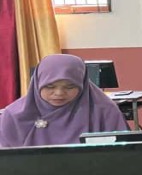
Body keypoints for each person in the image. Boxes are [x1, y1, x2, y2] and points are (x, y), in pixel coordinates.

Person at [0, 54, 128, 147]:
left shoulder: (104, 111)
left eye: (70, 87)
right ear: (37, 84)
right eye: (50, 86)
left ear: (82, 85)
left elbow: (123, 155)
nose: (59, 93)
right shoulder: (14, 115)